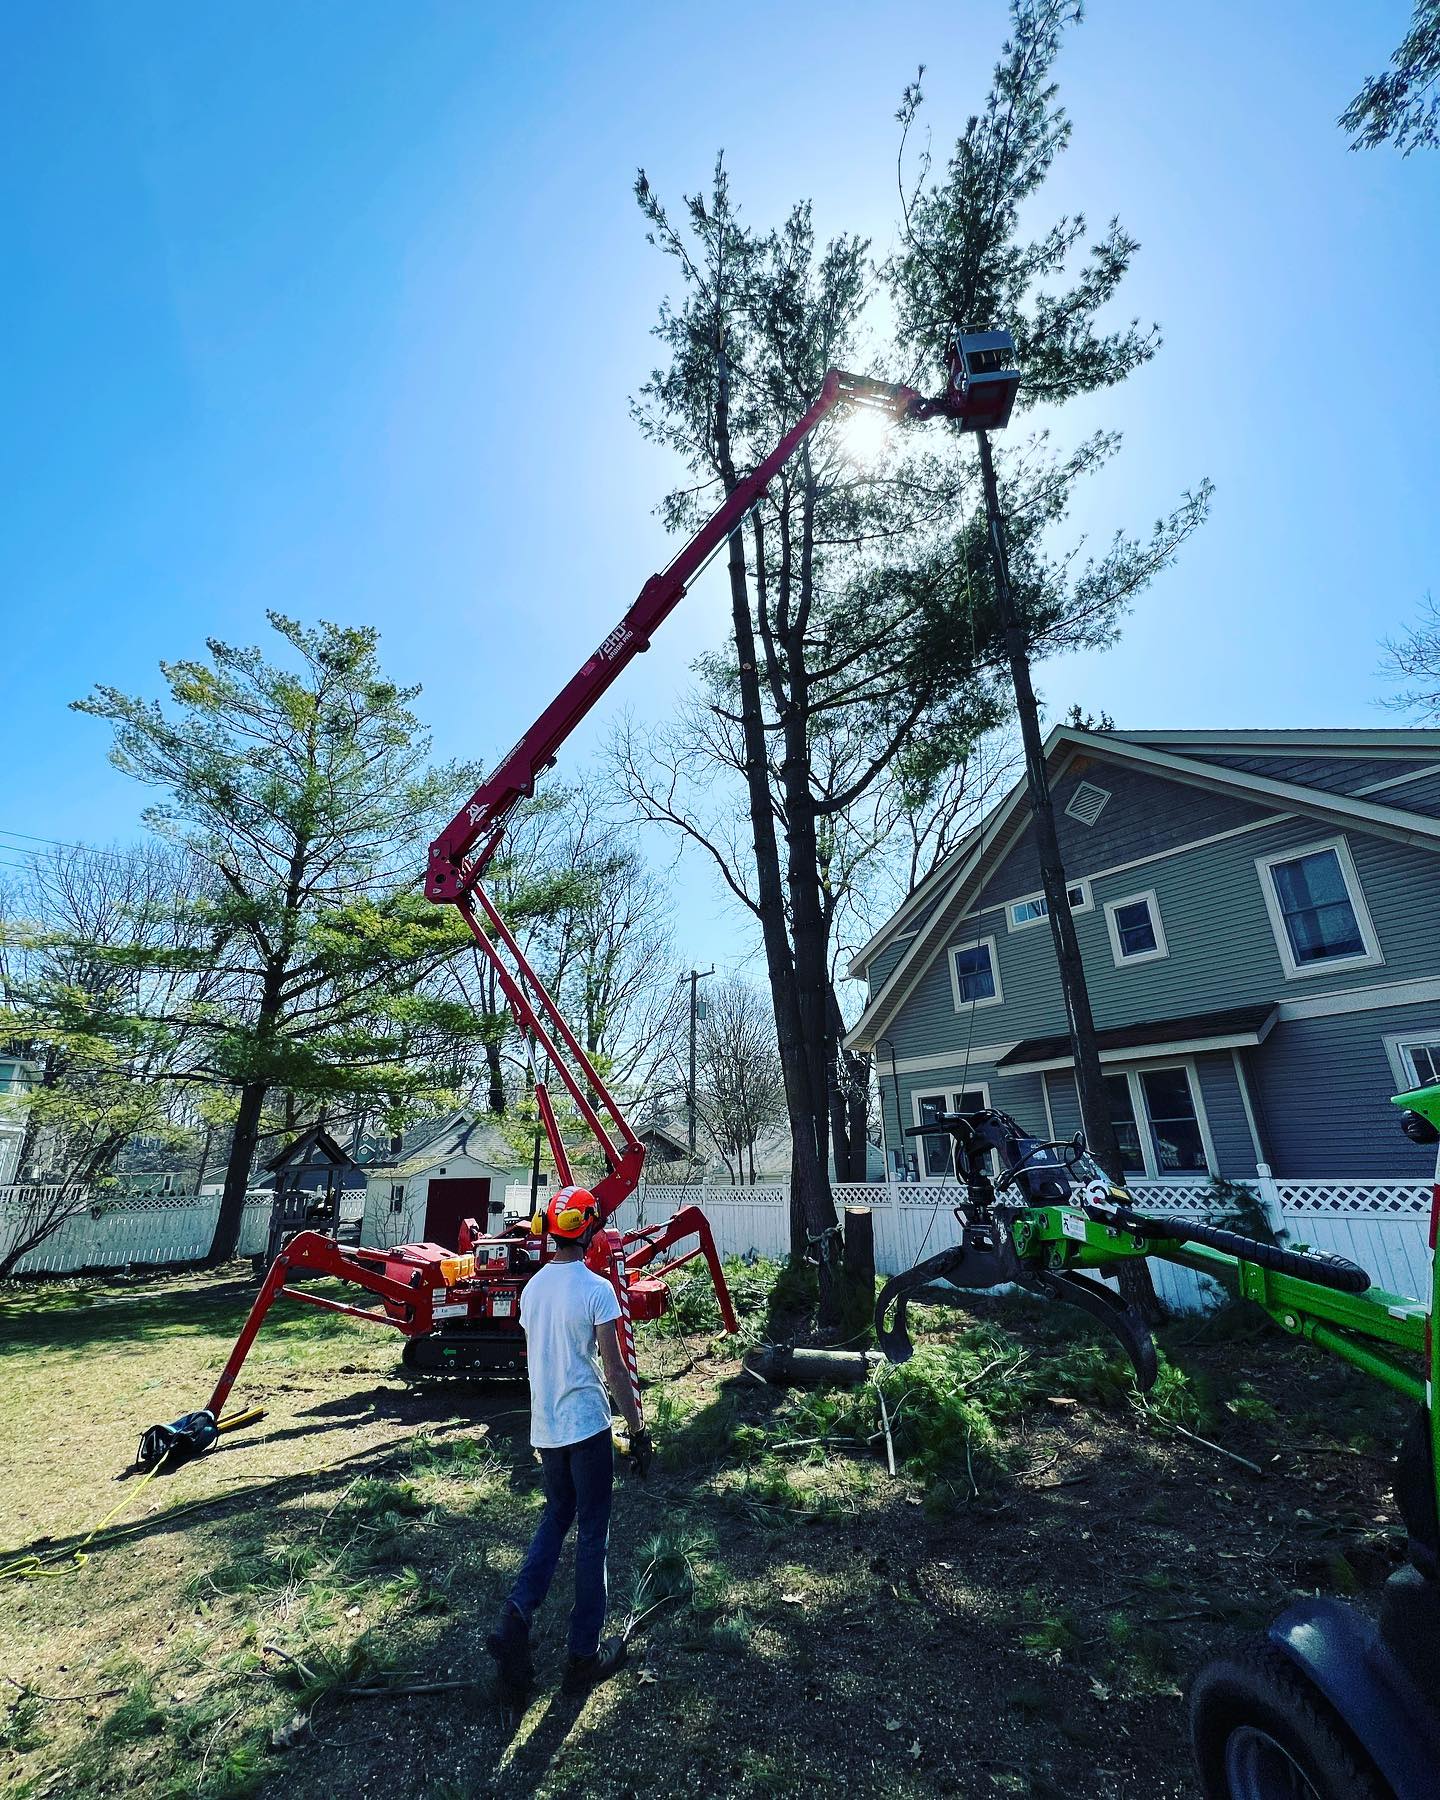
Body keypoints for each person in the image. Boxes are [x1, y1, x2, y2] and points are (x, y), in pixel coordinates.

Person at [485, 1185, 653, 1697]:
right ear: (589, 1229)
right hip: (587, 1427)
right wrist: (639, 1432)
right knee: (593, 1532)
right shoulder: (596, 1289)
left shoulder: (532, 1290)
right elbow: (616, 1370)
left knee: (557, 1516)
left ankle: (515, 1617)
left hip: (547, 1431)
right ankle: (582, 1654)